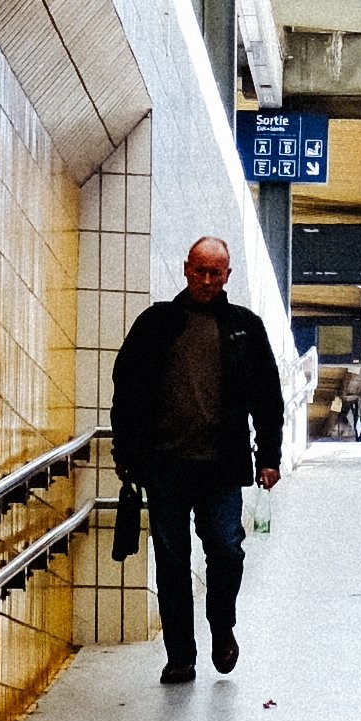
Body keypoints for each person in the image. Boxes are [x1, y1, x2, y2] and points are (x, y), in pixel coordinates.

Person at [108, 230, 285, 684]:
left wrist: (269, 455)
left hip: (222, 466)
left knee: (226, 550)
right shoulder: (157, 324)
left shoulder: (244, 327)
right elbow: (125, 390)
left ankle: (221, 625)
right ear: (187, 269)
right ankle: (180, 656)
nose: (207, 280)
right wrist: (125, 451)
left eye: (216, 272)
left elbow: (268, 396)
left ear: (227, 275)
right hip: (164, 465)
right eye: (200, 271)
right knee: (171, 561)